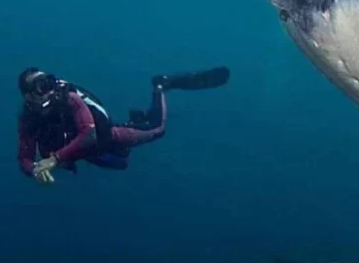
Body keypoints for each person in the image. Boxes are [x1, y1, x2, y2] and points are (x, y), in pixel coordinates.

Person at [17, 66, 230, 185]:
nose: (47, 89)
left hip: (102, 136)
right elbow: (24, 157)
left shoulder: (69, 98)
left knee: (157, 129)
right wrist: (36, 169)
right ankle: (135, 122)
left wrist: (54, 160)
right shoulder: (28, 119)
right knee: (122, 161)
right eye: (39, 86)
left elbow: (89, 134)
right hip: (83, 151)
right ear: (28, 96)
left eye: (48, 82)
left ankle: (162, 85)